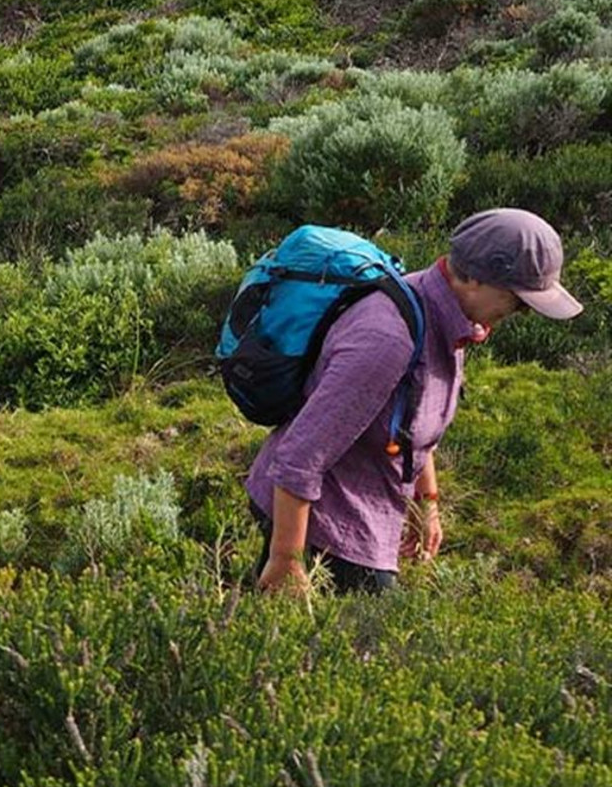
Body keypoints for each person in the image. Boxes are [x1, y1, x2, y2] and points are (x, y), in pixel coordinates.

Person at [249, 208, 582, 595]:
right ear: (472, 277)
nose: (522, 313)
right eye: (518, 300)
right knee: (362, 646)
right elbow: (300, 457)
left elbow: (413, 423)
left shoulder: (445, 315)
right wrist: (287, 560)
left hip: (361, 510)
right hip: (319, 523)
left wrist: (426, 505)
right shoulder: (388, 340)